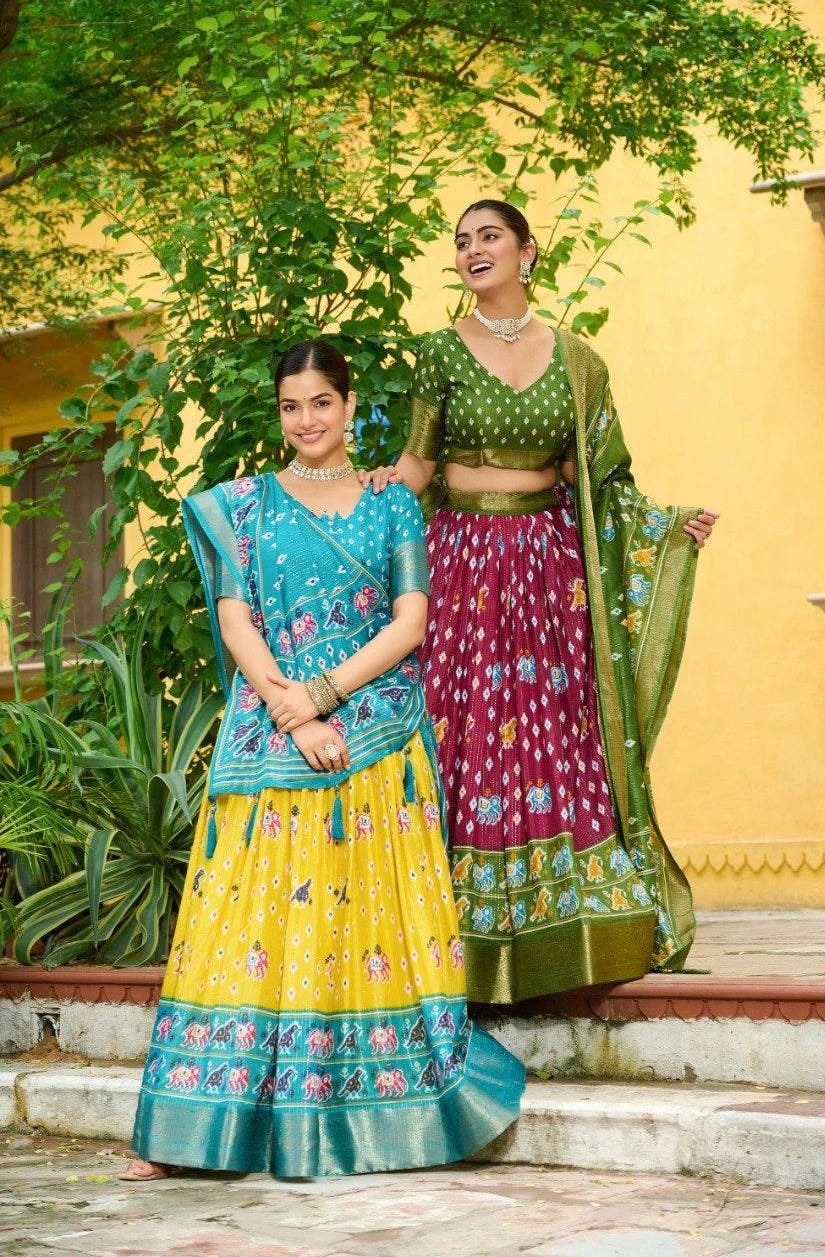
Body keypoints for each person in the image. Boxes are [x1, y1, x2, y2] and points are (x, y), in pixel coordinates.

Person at [120, 338, 524, 1181]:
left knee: (363, 921)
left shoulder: (390, 505)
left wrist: (326, 694)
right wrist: (289, 707)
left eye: (320, 403)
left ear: (347, 406)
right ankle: (201, 1127)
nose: (305, 420)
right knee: (245, 926)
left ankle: (381, 1110)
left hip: (375, 730)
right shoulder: (246, 505)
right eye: (290, 406)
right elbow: (237, 622)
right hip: (276, 731)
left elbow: (410, 622)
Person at [361, 199, 719, 1004]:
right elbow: (414, 470)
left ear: (526, 252)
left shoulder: (580, 362)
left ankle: (575, 929)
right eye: (460, 242)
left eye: (489, 237)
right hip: (458, 566)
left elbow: (601, 480)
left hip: (547, 570)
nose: (472, 250)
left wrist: (665, 527)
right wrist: (340, 499)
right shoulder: (439, 353)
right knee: (462, 727)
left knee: (557, 735)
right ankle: (445, 932)